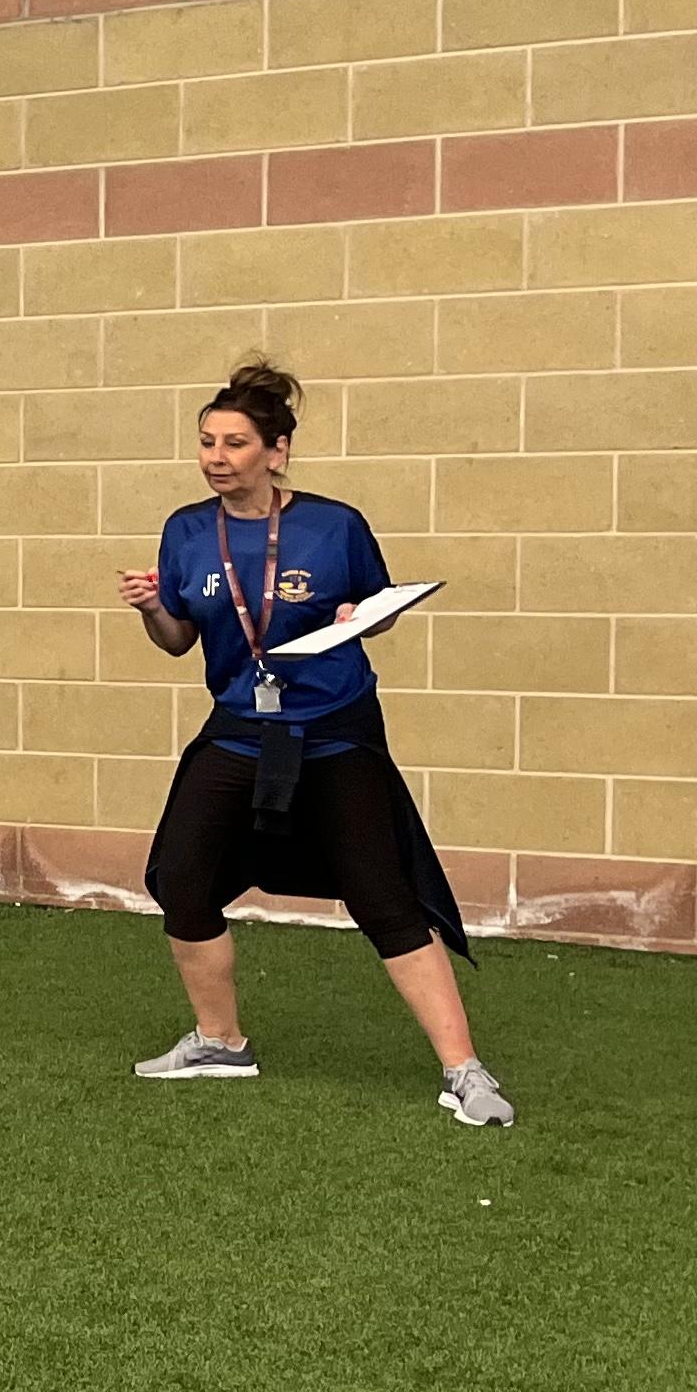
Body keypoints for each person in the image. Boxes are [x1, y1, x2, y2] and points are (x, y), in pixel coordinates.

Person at [120, 358, 511, 1128]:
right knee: (183, 878)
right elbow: (177, 639)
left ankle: (464, 1071)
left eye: (235, 443)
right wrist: (149, 609)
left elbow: (379, 610)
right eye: (207, 442)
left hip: (333, 728)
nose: (216, 457)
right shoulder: (186, 530)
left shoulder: (336, 526)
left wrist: (357, 618)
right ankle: (220, 1042)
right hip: (240, 728)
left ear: (278, 451)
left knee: (383, 895)